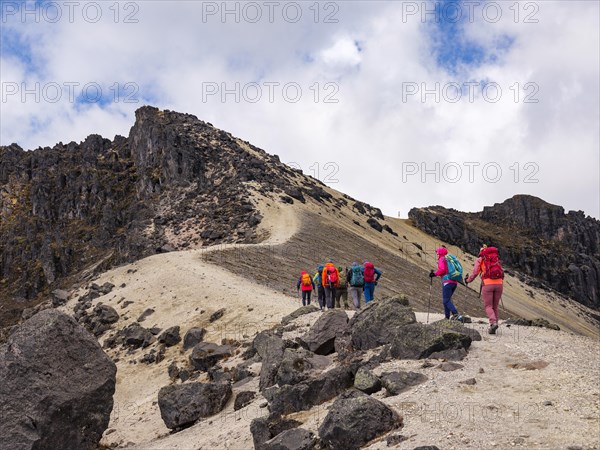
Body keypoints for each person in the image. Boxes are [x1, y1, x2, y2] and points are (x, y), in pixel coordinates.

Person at [465, 245, 504, 334]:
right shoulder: (496, 258)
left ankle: (493, 323)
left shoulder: (480, 259)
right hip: (499, 284)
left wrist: (468, 280)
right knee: (495, 306)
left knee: (488, 306)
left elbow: (475, 273)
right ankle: (494, 324)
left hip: (487, 284)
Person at [430, 247, 463, 321]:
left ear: (440, 253)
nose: (437, 254)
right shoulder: (449, 259)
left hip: (447, 282)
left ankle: (456, 315)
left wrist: (434, 274)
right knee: (447, 300)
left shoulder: (442, 259)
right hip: (454, 282)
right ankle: (447, 317)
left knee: (446, 300)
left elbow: (442, 269)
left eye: (437, 252)